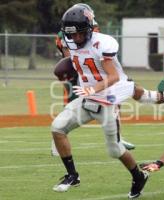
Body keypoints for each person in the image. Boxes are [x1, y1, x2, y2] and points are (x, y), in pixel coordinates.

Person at [51, 5, 153, 198]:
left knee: (115, 150)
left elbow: (113, 76)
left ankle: (139, 176)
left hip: (106, 99)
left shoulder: (102, 43)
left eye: (80, 34)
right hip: (86, 98)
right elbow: (75, 63)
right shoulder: (69, 41)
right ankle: (72, 175)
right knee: (57, 128)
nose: (76, 39)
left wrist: (93, 88)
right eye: (72, 35)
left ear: (89, 29)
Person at [51, 3, 139, 155]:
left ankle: (117, 137)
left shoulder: (89, 29)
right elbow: (71, 57)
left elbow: (95, 46)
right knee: (71, 107)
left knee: (113, 99)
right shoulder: (67, 35)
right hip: (79, 74)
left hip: (91, 73)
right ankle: (56, 142)